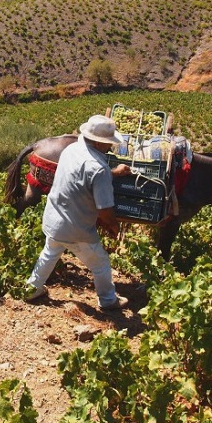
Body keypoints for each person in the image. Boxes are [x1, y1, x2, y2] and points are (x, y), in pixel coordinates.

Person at [25, 114, 132, 310]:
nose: (110, 146)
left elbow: (81, 174)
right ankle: (108, 300)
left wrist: (114, 172)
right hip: (77, 229)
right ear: (100, 143)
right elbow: (105, 211)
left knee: (50, 253)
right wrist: (114, 227)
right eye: (109, 143)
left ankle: (32, 289)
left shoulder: (71, 149)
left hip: (53, 219)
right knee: (100, 262)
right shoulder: (99, 169)